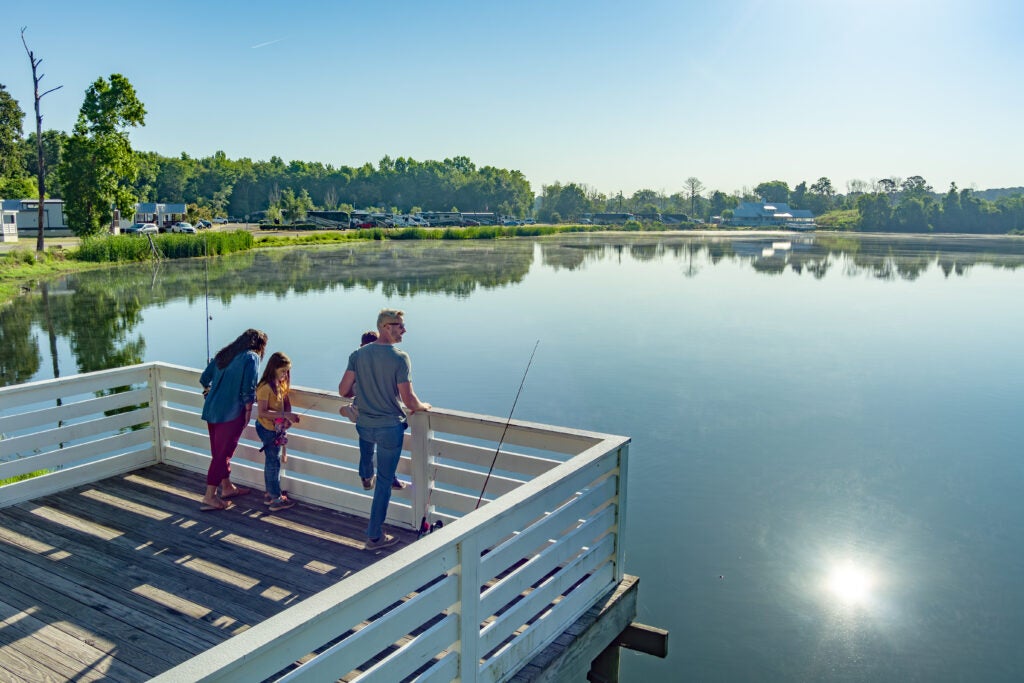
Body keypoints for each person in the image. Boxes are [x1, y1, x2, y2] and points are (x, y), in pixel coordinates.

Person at [338, 309, 431, 550]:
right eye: (399, 325)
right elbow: (409, 401)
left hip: (364, 426)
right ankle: (374, 536)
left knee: (368, 455)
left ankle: (365, 474)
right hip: (389, 428)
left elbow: (343, 390)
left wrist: (363, 392)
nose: (404, 330)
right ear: (385, 327)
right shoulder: (400, 358)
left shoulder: (358, 355)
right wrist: (423, 406)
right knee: (385, 482)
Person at [199, 328, 267, 511]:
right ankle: (209, 497)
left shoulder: (224, 355)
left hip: (212, 410)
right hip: (231, 413)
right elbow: (248, 388)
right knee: (222, 455)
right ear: (259, 345)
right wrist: (247, 411)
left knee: (219, 452)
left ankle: (227, 488)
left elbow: (204, 378)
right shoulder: (251, 357)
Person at [340, 329, 408, 493]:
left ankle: (369, 477)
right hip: (375, 415)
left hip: (369, 415)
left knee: (368, 449)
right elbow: (347, 390)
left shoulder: (360, 360)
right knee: (379, 449)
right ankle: (379, 478)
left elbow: (346, 390)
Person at [255, 352, 300, 511]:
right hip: (268, 429)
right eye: (282, 371)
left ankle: (271, 493)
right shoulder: (265, 387)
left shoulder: (279, 384)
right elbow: (262, 412)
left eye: (287, 371)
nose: (285, 375)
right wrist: (285, 415)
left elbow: (285, 402)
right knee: (273, 463)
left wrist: (286, 419)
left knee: (272, 461)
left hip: (276, 428)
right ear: (273, 368)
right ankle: (275, 498)